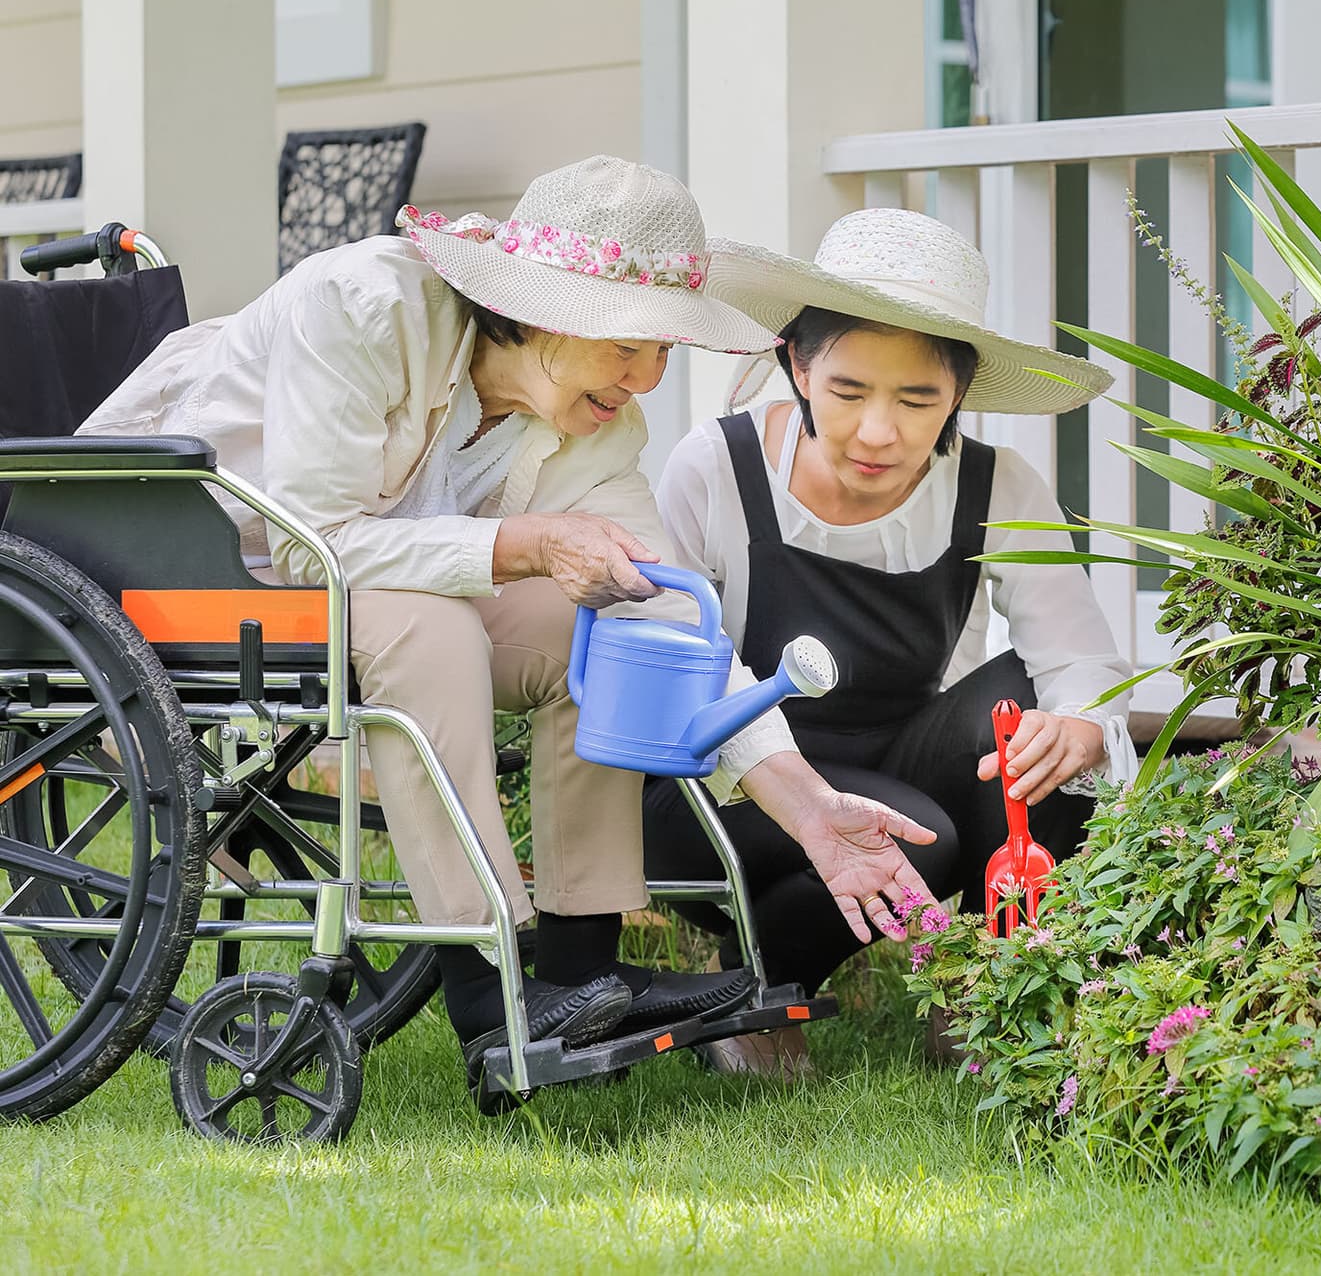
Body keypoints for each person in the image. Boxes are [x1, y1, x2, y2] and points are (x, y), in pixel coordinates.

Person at [79, 157, 939, 1092]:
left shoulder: (596, 426)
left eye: (665, 352)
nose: (647, 378)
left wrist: (809, 806)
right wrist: (522, 541)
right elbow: (311, 541)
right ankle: (490, 993)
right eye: (631, 344)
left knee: (614, 629)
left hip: (371, 585)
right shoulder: (363, 306)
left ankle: (580, 968)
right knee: (436, 628)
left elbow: (674, 612)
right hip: (196, 564)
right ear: (541, 311)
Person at [643, 207, 1138, 1074]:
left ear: (960, 392)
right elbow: (675, 671)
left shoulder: (996, 483)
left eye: (918, 400)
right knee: (924, 836)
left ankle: (997, 994)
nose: (880, 432)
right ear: (797, 364)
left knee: (1032, 714)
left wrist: (1082, 727)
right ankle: (759, 988)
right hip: (723, 786)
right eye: (848, 392)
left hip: (897, 754)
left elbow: (1079, 658)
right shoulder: (714, 467)